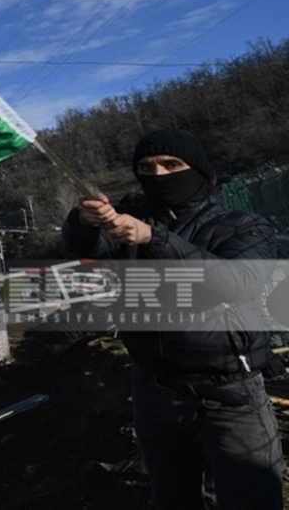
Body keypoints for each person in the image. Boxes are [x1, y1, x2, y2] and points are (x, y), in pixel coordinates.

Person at [63, 128, 282, 510]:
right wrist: (84, 221)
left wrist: (155, 238)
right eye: (147, 167)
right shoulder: (130, 221)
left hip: (228, 393)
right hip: (154, 392)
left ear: (197, 170)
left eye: (171, 164)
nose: (159, 174)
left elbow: (236, 283)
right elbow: (84, 248)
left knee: (250, 498)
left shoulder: (241, 226)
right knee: (174, 498)